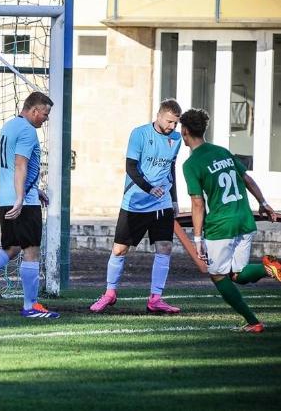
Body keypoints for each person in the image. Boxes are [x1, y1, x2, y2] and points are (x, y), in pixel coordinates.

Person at [179, 108, 280, 333]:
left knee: (217, 275)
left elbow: (197, 203)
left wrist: (197, 239)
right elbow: (247, 179)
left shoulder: (191, 164)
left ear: (184, 131)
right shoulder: (222, 151)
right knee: (237, 274)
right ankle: (270, 268)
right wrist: (263, 203)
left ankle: (253, 321)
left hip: (221, 225)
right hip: (244, 219)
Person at [0, 91, 60, 318]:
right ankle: (31, 306)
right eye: (45, 114)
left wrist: (35, 189)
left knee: (12, 247)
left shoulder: (9, 126)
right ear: (34, 111)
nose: (45, 119)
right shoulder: (27, 130)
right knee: (31, 251)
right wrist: (21, 197)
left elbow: (10, 167)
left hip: (5, 197)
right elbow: (19, 165)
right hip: (21, 200)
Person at [89, 99, 184, 314]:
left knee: (165, 248)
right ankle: (110, 294)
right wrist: (149, 188)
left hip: (162, 203)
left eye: (175, 123)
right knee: (120, 249)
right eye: (169, 122)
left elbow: (171, 170)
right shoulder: (139, 134)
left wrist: (174, 198)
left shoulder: (176, 139)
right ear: (159, 116)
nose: (172, 127)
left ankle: (155, 299)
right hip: (136, 202)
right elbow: (130, 168)